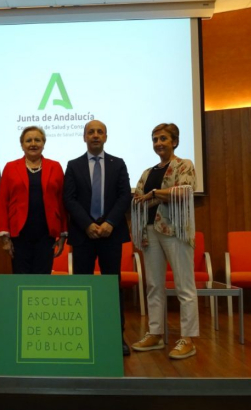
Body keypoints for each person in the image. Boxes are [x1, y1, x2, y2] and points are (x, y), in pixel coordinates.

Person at [63, 119, 133, 356]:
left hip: (110, 235)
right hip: (84, 236)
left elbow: (125, 196)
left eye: (99, 132)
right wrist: (88, 225)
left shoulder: (118, 163)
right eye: (90, 132)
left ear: (106, 137)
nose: (95, 135)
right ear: (84, 137)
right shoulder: (73, 165)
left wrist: (109, 222)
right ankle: (81, 333)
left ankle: (116, 335)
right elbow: (69, 199)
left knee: (112, 286)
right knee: (82, 287)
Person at [131, 122, 198, 360]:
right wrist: (155, 196)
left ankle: (188, 339)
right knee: (154, 286)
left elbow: (185, 190)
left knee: (184, 286)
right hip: (149, 231)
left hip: (175, 231)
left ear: (174, 142)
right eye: (155, 139)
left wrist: (153, 195)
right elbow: (138, 197)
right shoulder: (148, 172)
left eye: (163, 139)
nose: (159, 143)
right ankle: (155, 333)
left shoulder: (184, 165)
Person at [0, 126, 67, 274]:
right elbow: (3, 202)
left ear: (44, 143)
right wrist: (4, 236)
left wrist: (62, 234)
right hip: (19, 235)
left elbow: (61, 202)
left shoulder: (55, 166)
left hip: (46, 234)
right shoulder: (10, 167)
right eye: (28, 140)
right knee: (21, 280)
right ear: (22, 144)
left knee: (42, 279)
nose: (33, 143)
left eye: (37, 140)